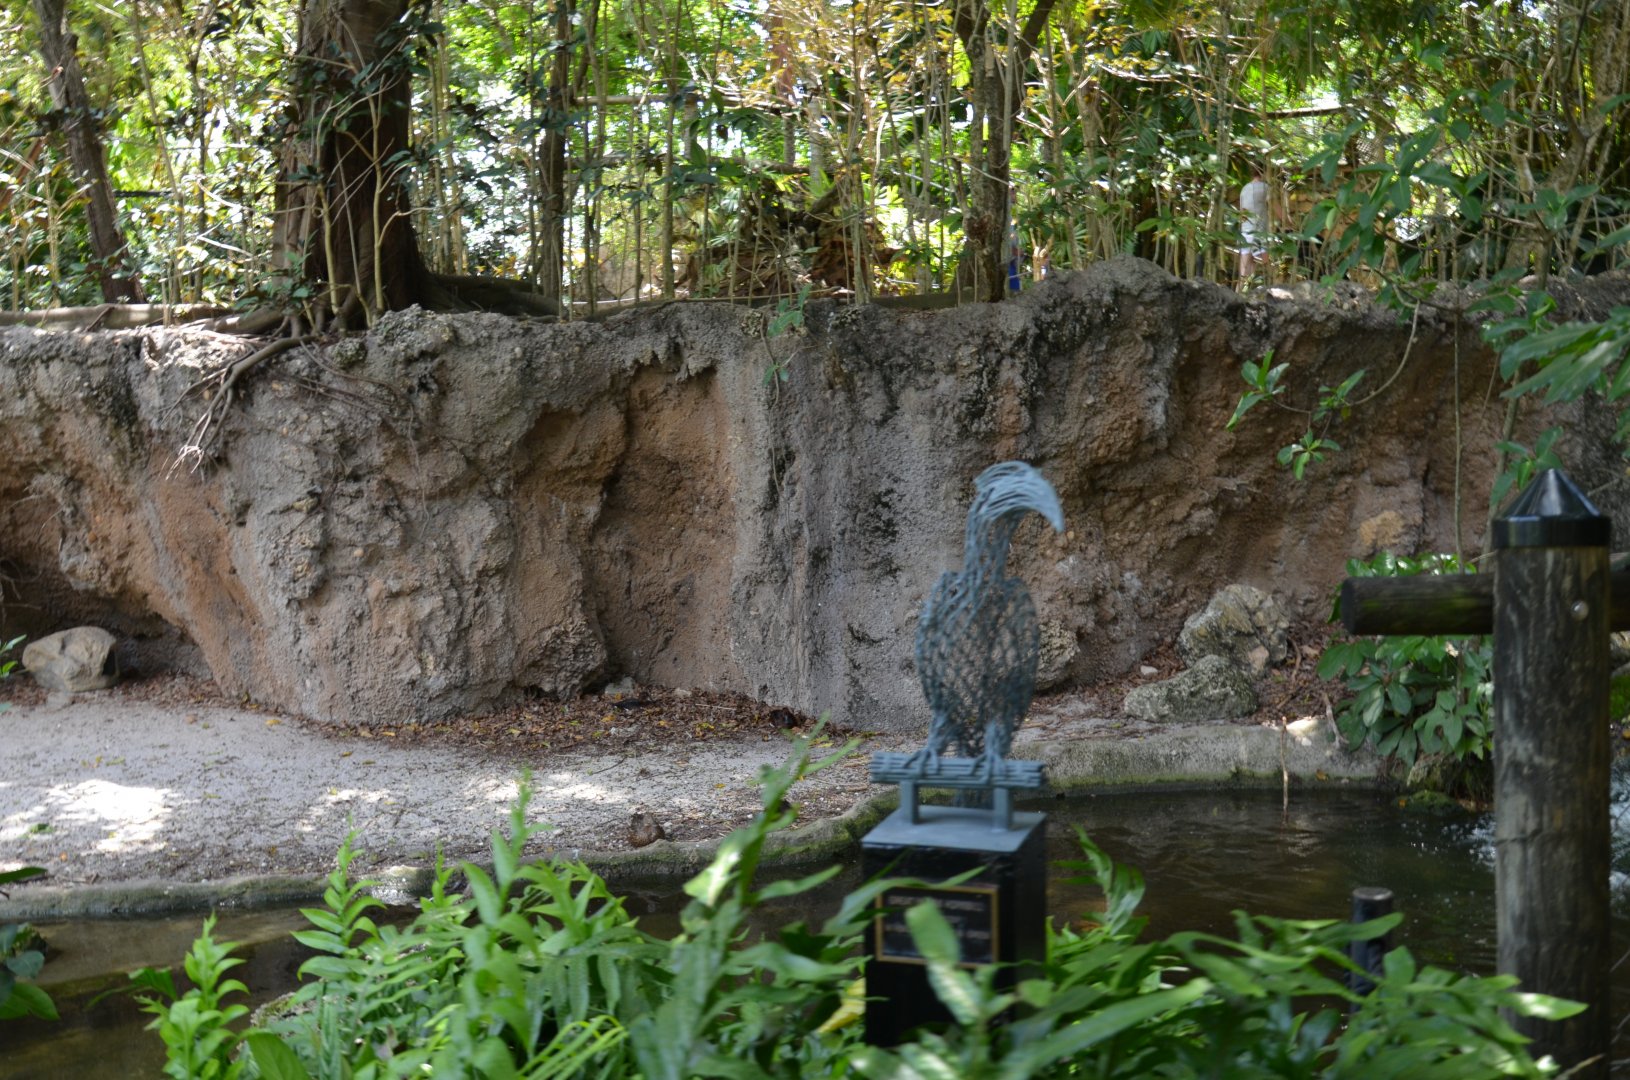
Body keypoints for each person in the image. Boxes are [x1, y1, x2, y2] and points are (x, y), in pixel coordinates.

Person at [1237, 167, 1275, 287]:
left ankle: (1237, 298)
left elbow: (1242, 213)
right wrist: (1289, 223)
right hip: (1259, 235)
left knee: (1244, 275)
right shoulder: (1265, 188)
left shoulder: (1244, 189)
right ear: (1265, 172)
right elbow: (1277, 209)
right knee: (1268, 271)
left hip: (1245, 234)